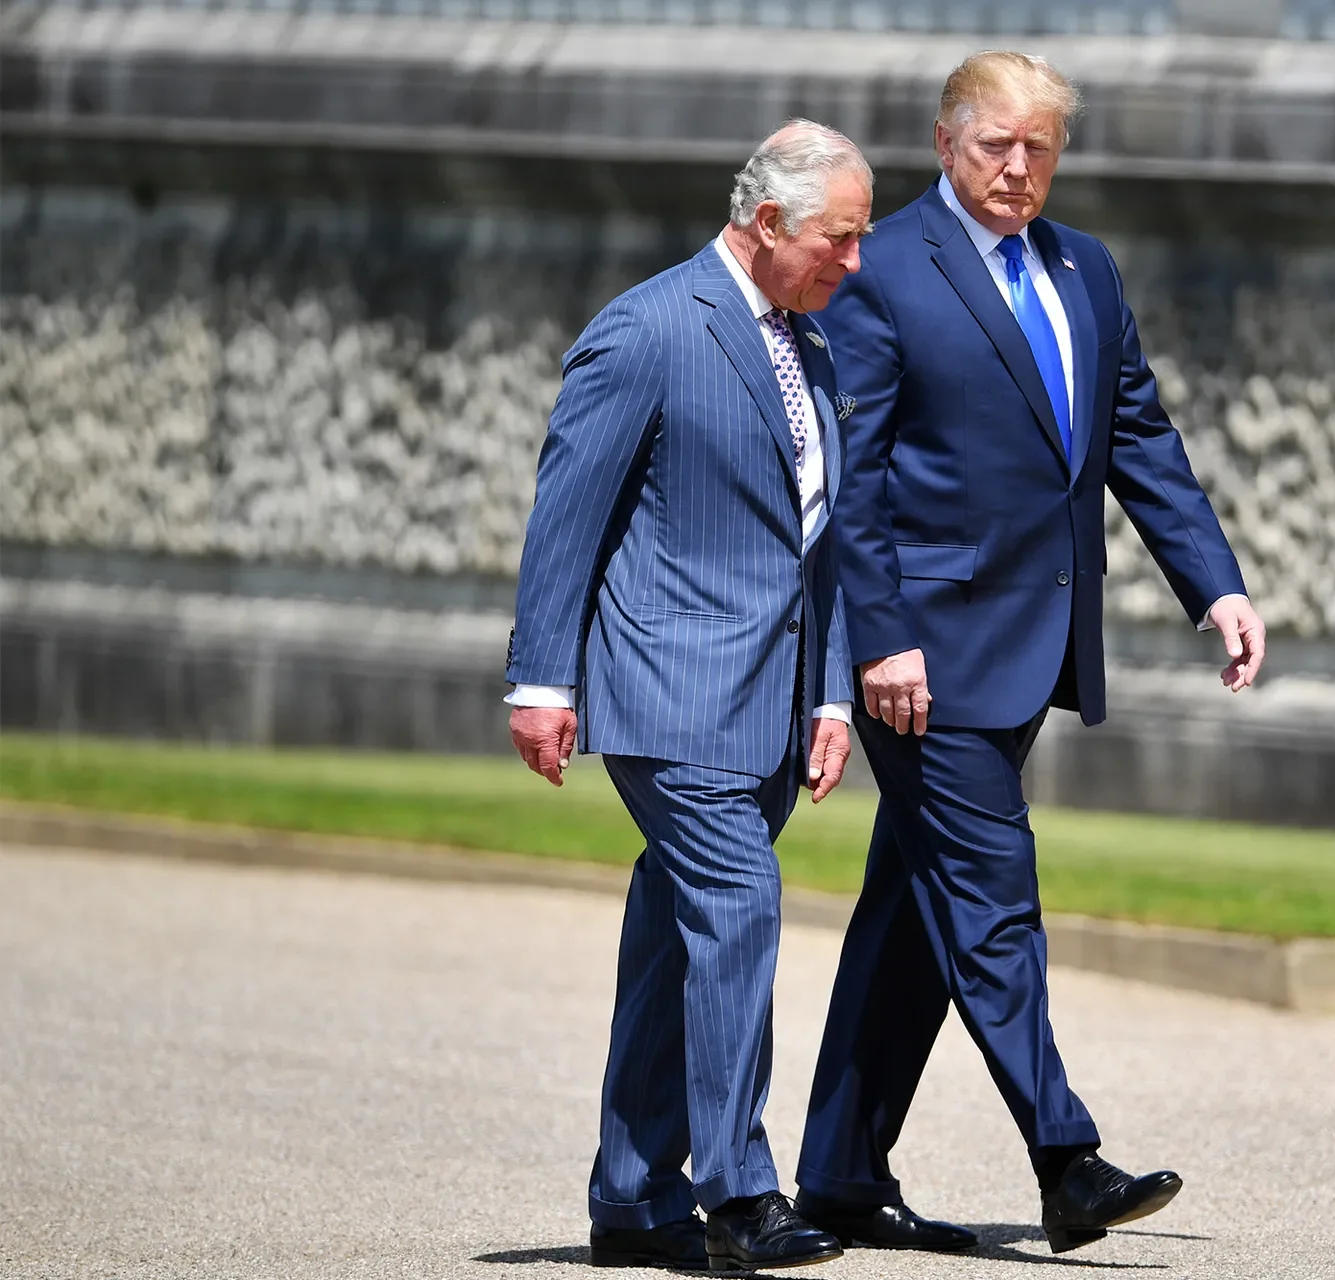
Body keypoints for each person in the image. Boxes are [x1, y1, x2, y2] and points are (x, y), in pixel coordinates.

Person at [794, 52, 1268, 1257]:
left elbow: (1138, 437)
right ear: (945, 142)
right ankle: (1067, 1159)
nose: (1018, 167)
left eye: (1039, 147)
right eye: (996, 143)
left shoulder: (1084, 268)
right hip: (925, 660)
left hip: (1036, 642)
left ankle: (840, 1176)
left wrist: (1215, 585)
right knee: (994, 894)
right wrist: (880, 637)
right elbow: (854, 478)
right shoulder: (882, 268)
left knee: (916, 910)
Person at [504, 120, 871, 1272]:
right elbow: (567, 515)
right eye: (839, 237)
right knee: (739, 906)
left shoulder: (810, 348)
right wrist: (540, 678)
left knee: (676, 939)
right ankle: (739, 1191)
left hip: (770, 703)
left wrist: (830, 697)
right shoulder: (648, 327)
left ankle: (631, 1197)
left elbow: (820, 543)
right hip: (671, 693)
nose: (855, 260)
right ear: (766, 221)